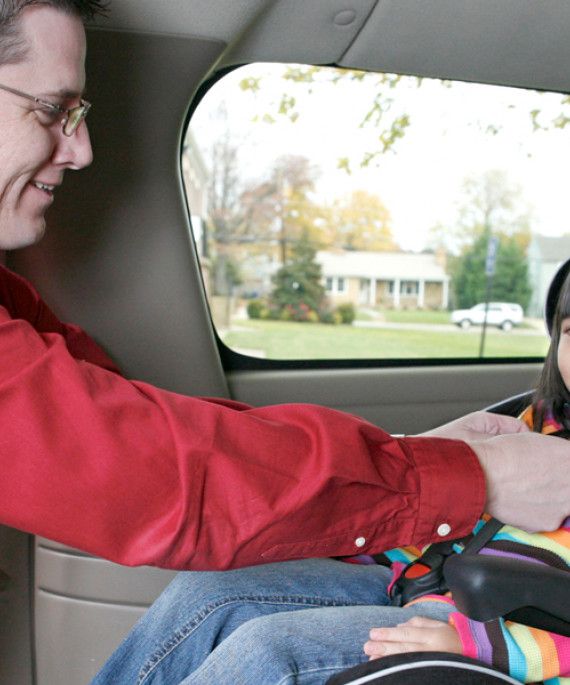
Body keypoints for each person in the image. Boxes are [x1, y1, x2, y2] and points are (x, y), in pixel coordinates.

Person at [1, 2, 570, 681]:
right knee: (215, 599)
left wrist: (424, 463)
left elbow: (152, 430)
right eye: (48, 111)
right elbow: (151, 471)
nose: (83, 147)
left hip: (507, 633)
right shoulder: (539, 422)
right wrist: (468, 477)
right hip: (438, 598)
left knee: (254, 639)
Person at [91, 259, 570, 685]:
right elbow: (451, 524)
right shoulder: (536, 422)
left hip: (491, 632)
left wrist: (478, 646)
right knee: (209, 591)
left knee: (270, 651)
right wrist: (346, 552)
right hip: (407, 578)